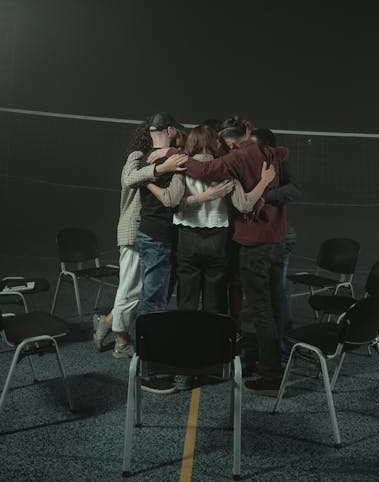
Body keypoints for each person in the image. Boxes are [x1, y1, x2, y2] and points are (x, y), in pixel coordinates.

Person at [185, 118, 289, 396]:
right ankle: (271, 361)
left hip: (254, 245)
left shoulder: (236, 158)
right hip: (277, 241)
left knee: (260, 310)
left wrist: (174, 154)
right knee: (275, 305)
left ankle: (271, 375)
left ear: (229, 142)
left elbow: (204, 169)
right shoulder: (271, 153)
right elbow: (284, 157)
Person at [93, 120, 187, 357]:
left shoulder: (157, 156)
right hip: (134, 228)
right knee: (131, 288)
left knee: (141, 289)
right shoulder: (137, 156)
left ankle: (108, 321)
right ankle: (121, 341)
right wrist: (160, 170)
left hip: (147, 230)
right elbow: (129, 179)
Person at [134, 112, 188, 393]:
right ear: (169, 130)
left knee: (153, 299)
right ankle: (147, 370)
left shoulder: (147, 158)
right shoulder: (171, 159)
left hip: (151, 234)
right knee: (153, 303)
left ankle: (144, 360)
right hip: (157, 237)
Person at [250, 128, 302, 362]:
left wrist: (266, 197)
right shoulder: (247, 163)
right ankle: (269, 346)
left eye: (252, 145)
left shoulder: (279, 163)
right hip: (262, 237)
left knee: (277, 292)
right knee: (266, 294)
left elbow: (295, 189)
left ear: (266, 147)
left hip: (279, 236)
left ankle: (283, 346)